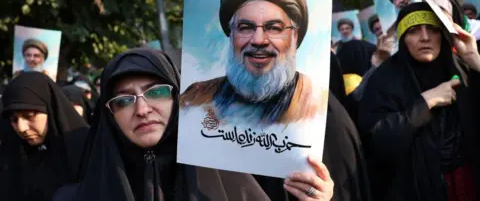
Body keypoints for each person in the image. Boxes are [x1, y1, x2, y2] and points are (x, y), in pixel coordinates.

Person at [53, 48, 336, 201]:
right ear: (109, 114)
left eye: (157, 92)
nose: (141, 109)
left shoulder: (229, 183)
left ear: (178, 97)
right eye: (124, 100)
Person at [358, 2, 480, 200]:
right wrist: (424, 104)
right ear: (403, 38)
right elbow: (378, 141)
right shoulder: (384, 81)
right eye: (414, 31)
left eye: (432, 29)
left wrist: (474, 59)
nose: (425, 37)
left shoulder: (463, 71)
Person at [181, 0, 321, 125]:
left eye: (274, 28)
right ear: (231, 35)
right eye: (245, 27)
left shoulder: (319, 108)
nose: (259, 40)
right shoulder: (195, 99)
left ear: (294, 36)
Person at [0, 72, 89, 201]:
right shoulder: (12, 156)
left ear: (50, 109)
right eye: (14, 120)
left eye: (29, 116)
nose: (21, 128)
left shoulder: (86, 152)